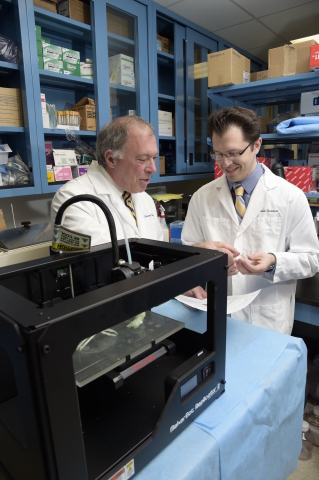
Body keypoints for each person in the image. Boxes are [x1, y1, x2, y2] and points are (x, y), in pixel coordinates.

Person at [182, 107, 319, 334]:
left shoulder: (290, 196)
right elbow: (187, 252)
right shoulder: (202, 197)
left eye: (233, 153)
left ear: (256, 145)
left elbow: (312, 260)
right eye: (218, 154)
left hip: (267, 320)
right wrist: (201, 254)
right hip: (216, 315)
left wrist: (274, 262)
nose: (225, 163)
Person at [51, 116, 163, 245]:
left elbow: (159, 250)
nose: (153, 169)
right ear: (111, 159)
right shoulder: (72, 199)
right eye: (142, 159)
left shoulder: (145, 199)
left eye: (154, 158)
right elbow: (102, 259)